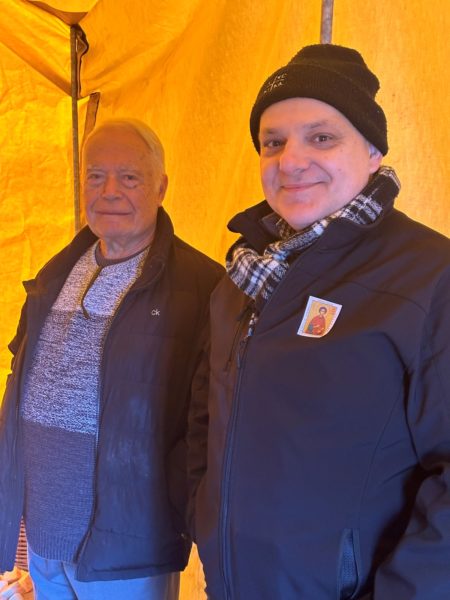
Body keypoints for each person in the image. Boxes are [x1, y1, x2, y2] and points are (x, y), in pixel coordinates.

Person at [189, 44, 450, 599]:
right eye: (273, 142)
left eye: (322, 137)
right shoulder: (241, 277)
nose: (291, 161)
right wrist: (204, 518)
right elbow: (204, 419)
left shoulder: (431, 276)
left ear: (373, 151)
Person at [0, 118, 223, 599]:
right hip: (43, 535)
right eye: (95, 176)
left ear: (161, 187)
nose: (109, 192)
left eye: (130, 177)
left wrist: (177, 502)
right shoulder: (56, 272)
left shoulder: (203, 285)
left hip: (127, 545)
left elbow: (211, 417)